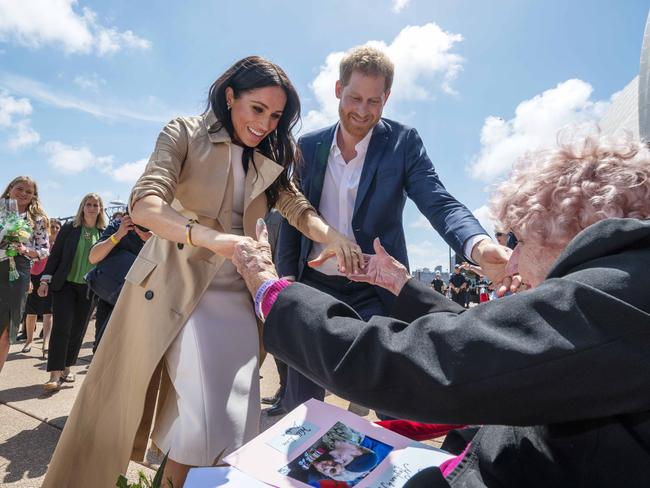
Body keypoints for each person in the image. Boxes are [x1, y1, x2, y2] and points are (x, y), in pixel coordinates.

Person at [232, 130, 650, 487]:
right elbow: (493, 342)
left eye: (520, 240)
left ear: (569, 230)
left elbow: (430, 359)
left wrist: (272, 291)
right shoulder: (625, 286)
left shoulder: (611, 297)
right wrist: (401, 285)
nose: (514, 261)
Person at [43, 56, 363, 488]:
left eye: (275, 116)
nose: (266, 124)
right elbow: (146, 203)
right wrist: (212, 239)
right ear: (230, 96)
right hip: (181, 292)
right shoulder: (184, 131)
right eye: (257, 109)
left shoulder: (266, 156)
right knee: (210, 424)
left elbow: (296, 207)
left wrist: (334, 236)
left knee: (223, 428)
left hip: (242, 299)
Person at [275, 45, 508, 416]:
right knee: (301, 404)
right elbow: (293, 216)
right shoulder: (308, 146)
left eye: (374, 101)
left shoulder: (403, 143)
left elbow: (437, 200)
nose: (363, 111)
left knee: (392, 397)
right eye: (354, 98)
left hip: (375, 286)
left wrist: (478, 245)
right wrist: (286, 277)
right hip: (313, 284)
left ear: (387, 98)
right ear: (337, 90)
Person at [38, 194, 105, 390]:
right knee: (62, 327)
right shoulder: (70, 228)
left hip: (89, 288)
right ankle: (54, 374)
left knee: (78, 329)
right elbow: (56, 255)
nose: (91, 208)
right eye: (88, 204)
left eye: (95, 205)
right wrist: (44, 280)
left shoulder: (103, 232)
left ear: (100, 209)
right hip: (64, 285)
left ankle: (68, 367)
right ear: (82, 207)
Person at [0, 176, 49, 371]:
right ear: (10, 188)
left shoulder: (37, 219)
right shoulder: (1, 210)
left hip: (17, 272)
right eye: (20, 188)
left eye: (29, 192)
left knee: (6, 331)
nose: (24, 194)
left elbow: (44, 249)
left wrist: (26, 250)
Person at [87, 212, 151, 352]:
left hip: (144, 302)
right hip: (111, 295)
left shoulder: (162, 232)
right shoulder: (119, 226)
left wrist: (153, 242)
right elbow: (93, 257)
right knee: (102, 349)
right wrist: (119, 234)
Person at [25, 217, 61, 358]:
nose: (54, 229)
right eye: (52, 226)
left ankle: (46, 344)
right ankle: (29, 341)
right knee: (31, 311)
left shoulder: (59, 245)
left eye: (57, 227)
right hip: (34, 275)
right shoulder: (37, 239)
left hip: (50, 278)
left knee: (48, 312)